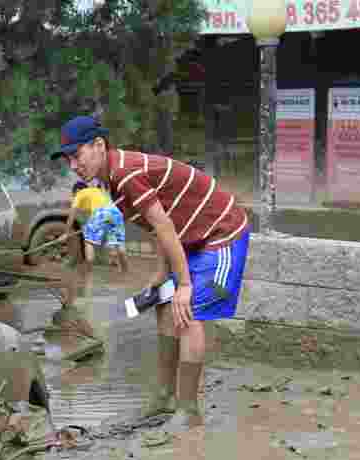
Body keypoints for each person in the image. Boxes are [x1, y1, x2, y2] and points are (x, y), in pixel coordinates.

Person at [50, 115, 250, 429]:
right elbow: (159, 228)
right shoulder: (109, 180)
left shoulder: (125, 173)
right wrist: (161, 277)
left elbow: (163, 224)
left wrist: (183, 284)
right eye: (68, 159)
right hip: (189, 240)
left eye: (77, 155)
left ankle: (188, 411)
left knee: (190, 312)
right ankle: (164, 396)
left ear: (99, 145)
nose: (73, 165)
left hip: (220, 234)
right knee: (162, 303)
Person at [71, 180, 130, 274]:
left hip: (101, 212)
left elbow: (72, 214)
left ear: (77, 191)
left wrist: (66, 233)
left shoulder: (80, 193)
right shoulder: (98, 193)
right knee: (119, 245)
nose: (73, 197)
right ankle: (125, 271)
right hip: (116, 213)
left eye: (73, 195)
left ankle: (88, 271)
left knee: (88, 242)